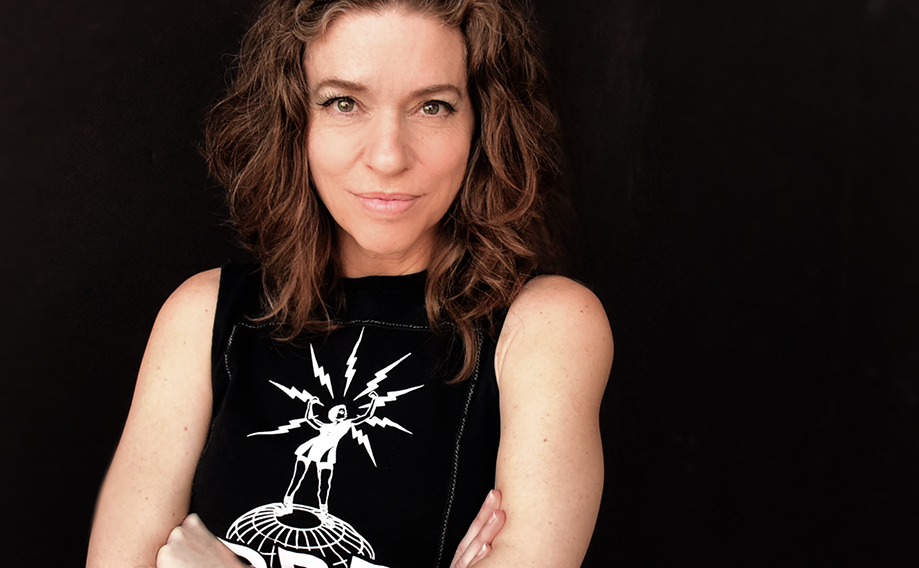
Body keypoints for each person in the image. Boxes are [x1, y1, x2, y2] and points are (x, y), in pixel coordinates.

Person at [86, 0, 611, 567]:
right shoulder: (202, 316)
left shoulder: (547, 328)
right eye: (344, 103)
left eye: (432, 106)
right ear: (294, 119)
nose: (388, 157)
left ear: (483, 122)